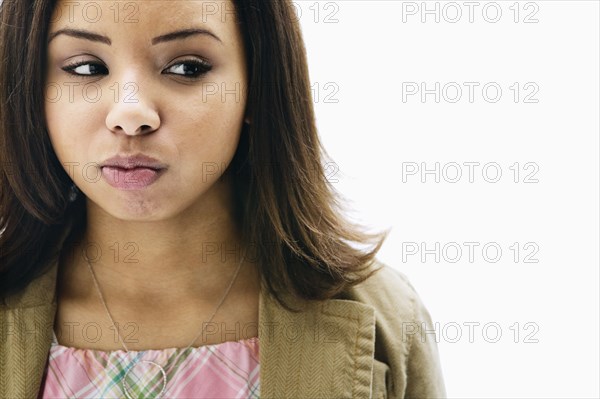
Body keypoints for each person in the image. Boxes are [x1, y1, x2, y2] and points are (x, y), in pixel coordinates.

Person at [0, 0, 446, 397]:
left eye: (188, 67)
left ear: (257, 83)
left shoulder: (384, 314)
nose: (130, 114)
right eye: (86, 68)